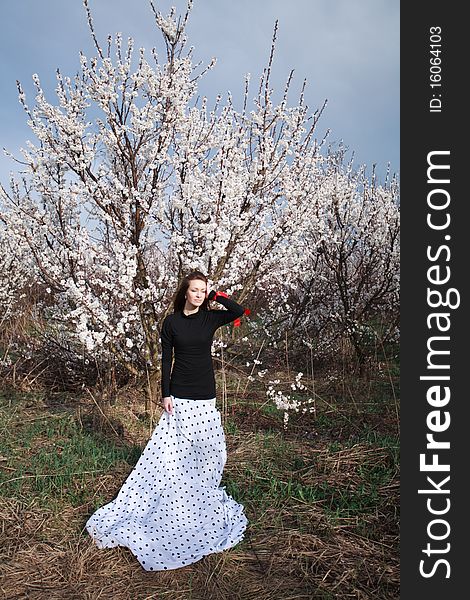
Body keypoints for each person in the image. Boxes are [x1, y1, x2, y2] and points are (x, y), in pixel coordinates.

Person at [85, 270, 248, 571]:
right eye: (195, 290)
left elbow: (238, 311)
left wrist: (216, 297)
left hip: (206, 396)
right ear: (184, 292)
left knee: (214, 452)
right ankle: (173, 498)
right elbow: (165, 359)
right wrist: (165, 394)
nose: (199, 294)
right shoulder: (171, 323)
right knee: (173, 454)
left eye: (203, 290)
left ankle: (202, 494)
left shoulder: (210, 318)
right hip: (181, 397)